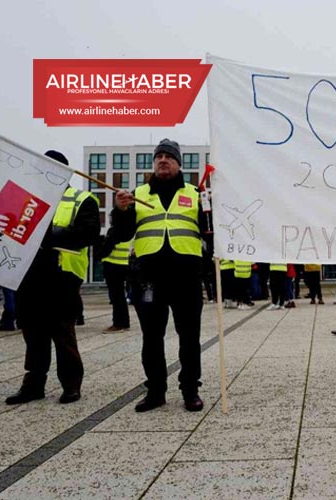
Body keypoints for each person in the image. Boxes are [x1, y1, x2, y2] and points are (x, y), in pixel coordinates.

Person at [111, 139, 208, 413]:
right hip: (148, 277)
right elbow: (122, 234)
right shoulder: (137, 193)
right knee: (151, 337)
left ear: (179, 163)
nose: (163, 160)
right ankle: (155, 391)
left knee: (189, 337)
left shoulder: (196, 193)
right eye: (159, 156)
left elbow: (209, 232)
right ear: (154, 163)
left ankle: (190, 390)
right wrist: (120, 210)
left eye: (169, 157)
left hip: (186, 276)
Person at [6, 150, 100, 405]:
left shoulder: (82, 199)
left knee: (62, 333)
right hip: (28, 275)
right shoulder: (28, 200)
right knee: (32, 333)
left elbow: (87, 234)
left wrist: (45, 237)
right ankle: (33, 384)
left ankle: (71, 385)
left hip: (62, 276)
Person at [99, 231, 132, 333]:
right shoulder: (127, 230)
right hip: (122, 264)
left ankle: (119, 324)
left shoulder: (117, 230)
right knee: (119, 296)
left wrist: (99, 255)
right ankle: (123, 323)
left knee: (116, 297)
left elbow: (107, 247)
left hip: (113, 265)